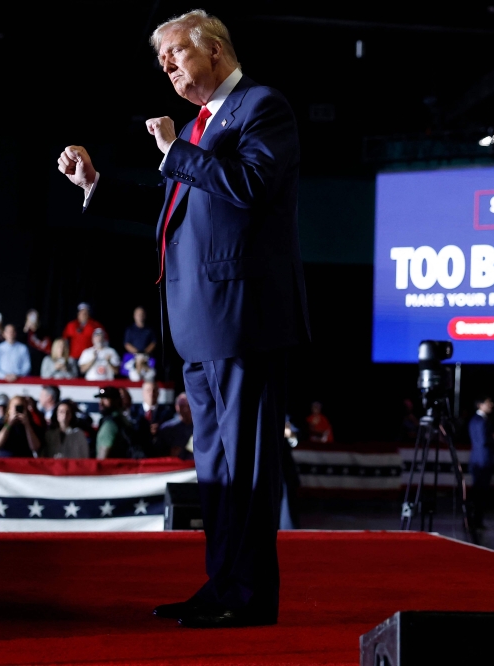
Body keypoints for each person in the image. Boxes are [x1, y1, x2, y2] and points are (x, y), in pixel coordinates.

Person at [58, 9, 309, 628]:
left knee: (246, 467)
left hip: (245, 319)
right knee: (217, 471)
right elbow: (172, 206)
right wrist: (97, 183)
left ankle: (250, 599)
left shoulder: (260, 106)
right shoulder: (201, 127)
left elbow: (250, 185)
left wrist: (175, 150)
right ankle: (222, 588)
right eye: (162, 59)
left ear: (215, 51)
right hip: (200, 322)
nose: (166, 66)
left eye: (174, 53)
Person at [468, 395, 494, 531]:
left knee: (478, 493)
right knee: (479, 493)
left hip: (479, 459)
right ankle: (474, 520)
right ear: (480, 404)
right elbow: (483, 440)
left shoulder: (476, 420)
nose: (491, 405)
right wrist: (493, 438)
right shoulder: (481, 421)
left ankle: (474, 520)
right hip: (482, 461)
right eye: (488, 402)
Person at [96, 387, 132, 459]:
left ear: (116, 401)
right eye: (100, 399)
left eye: (105, 399)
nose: (101, 403)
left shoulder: (110, 425)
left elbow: (102, 459)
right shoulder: (122, 419)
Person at [157, 393, 195, 459]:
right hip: (174, 465)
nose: (186, 409)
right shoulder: (166, 428)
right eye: (183, 405)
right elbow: (159, 453)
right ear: (177, 407)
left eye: (189, 405)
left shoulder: (200, 428)